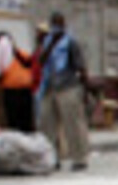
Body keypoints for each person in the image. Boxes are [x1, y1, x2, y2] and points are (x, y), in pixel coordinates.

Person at [37, 12, 89, 171]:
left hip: (68, 87)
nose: (56, 27)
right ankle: (53, 158)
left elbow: (81, 67)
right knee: (48, 125)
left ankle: (79, 158)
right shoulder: (46, 42)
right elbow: (40, 61)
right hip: (49, 87)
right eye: (54, 23)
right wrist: (50, 43)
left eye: (58, 23)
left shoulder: (71, 43)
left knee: (72, 124)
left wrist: (85, 90)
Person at [0, 30, 37, 133]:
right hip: (19, 91)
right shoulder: (17, 54)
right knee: (20, 122)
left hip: (16, 91)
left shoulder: (19, 53)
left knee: (18, 122)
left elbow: (29, 63)